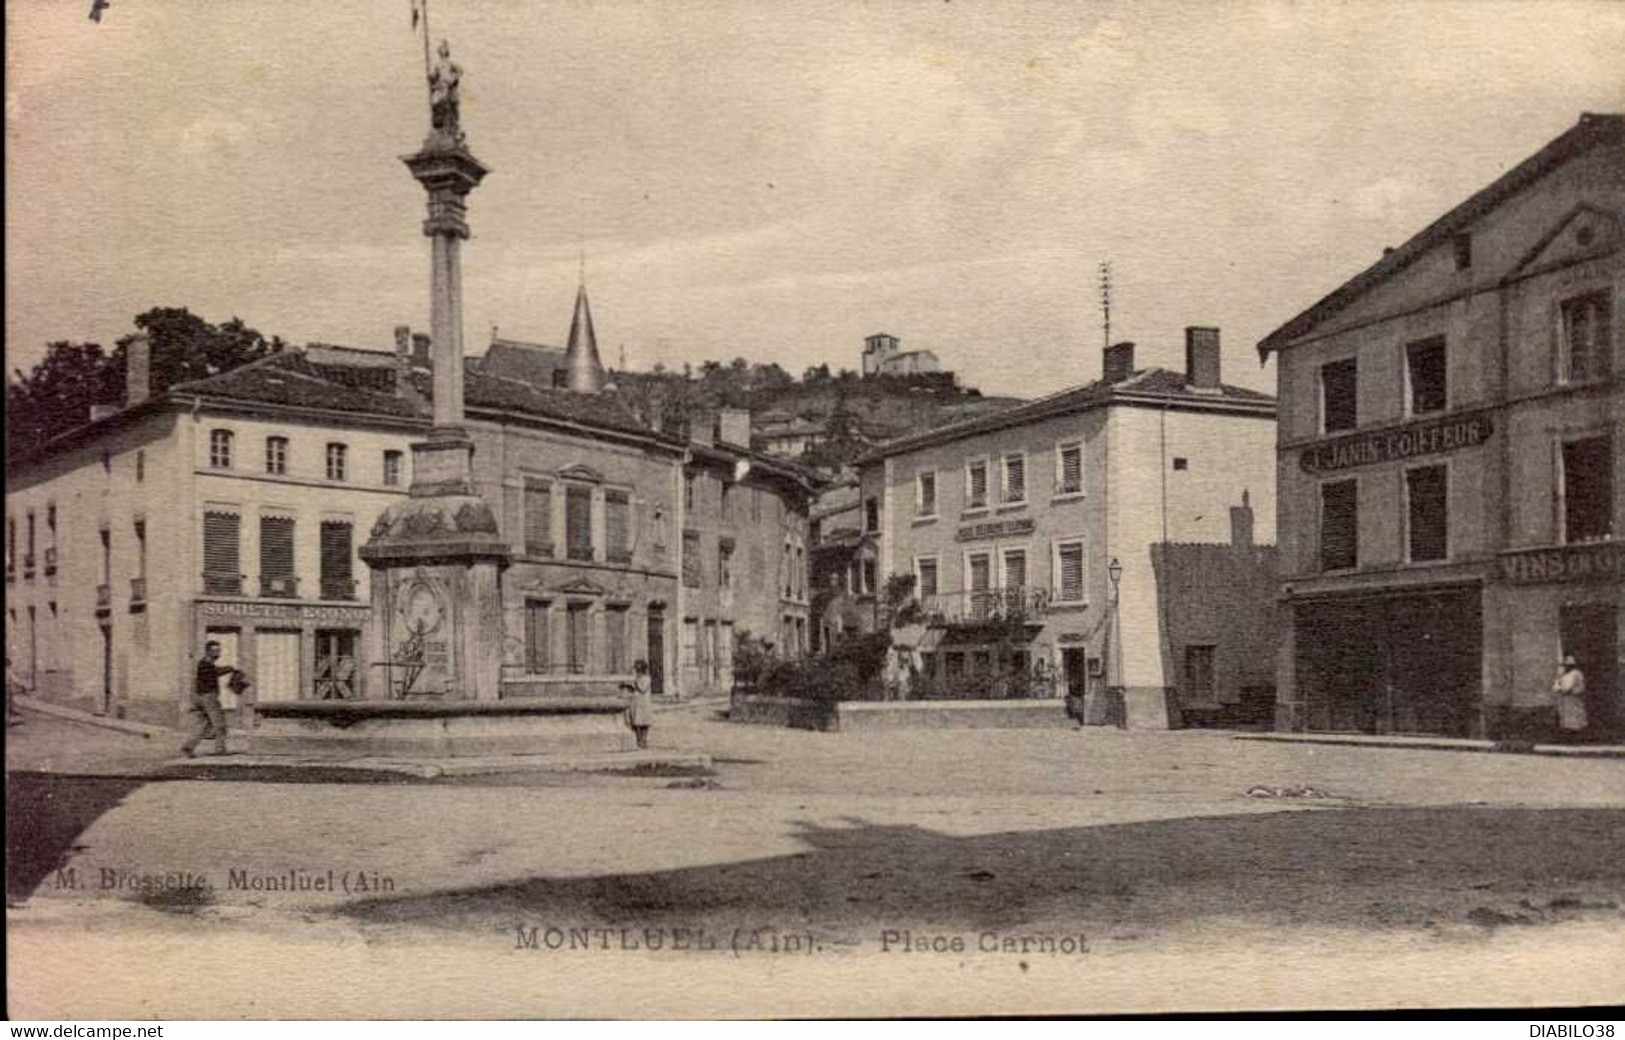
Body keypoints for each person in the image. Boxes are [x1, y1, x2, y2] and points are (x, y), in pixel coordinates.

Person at [181, 641, 240, 758]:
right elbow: (215, 672)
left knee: (202, 725)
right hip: (208, 697)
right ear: (208, 651)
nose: (218, 653)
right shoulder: (206, 664)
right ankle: (220, 749)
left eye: (219, 650)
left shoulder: (205, 663)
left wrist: (228, 669)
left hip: (200, 697)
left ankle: (188, 747)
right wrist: (229, 668)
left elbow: (215, 670)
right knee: (220, 724)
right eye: (215, 650)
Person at [1551, 654, 1587, 743]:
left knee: (1576, 718)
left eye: (1569, 665)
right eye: (1566, 665)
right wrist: (1558, 683)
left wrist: (1572, 691)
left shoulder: (1577, 674)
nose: (1568, 667)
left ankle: (1577, 737)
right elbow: (1555, 688)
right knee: (1565, 719)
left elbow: (1580, 687)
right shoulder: (1562, 675)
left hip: (1574, 699)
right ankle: (1567, 737)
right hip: (1565, 700)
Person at [623, 659, 653, 750]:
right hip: (636, 702)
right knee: (637, 723)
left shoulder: (647, 678)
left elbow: (643, 689)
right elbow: (635, 689)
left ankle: (644, 741)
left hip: (643, 703)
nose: (637, 671)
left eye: (638, 670)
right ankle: (638, 741)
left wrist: (635, 683)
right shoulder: (637, 678)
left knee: (644, 722)